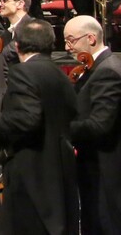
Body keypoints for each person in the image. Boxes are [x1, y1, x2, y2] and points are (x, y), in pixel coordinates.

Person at [0, 19, 77, 235]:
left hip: (30, 174)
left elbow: (26, 120)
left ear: (17, 46)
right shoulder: (62, 76)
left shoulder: (24, 72)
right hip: (59, 171)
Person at [63, 15, 121, 234]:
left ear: (91, 38)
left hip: (105, 170)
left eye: (71, 41)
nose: (67, 47)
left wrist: (60, 129)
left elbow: (99, 125)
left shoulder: (107, 71)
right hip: (94, 167)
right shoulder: (95, 68)